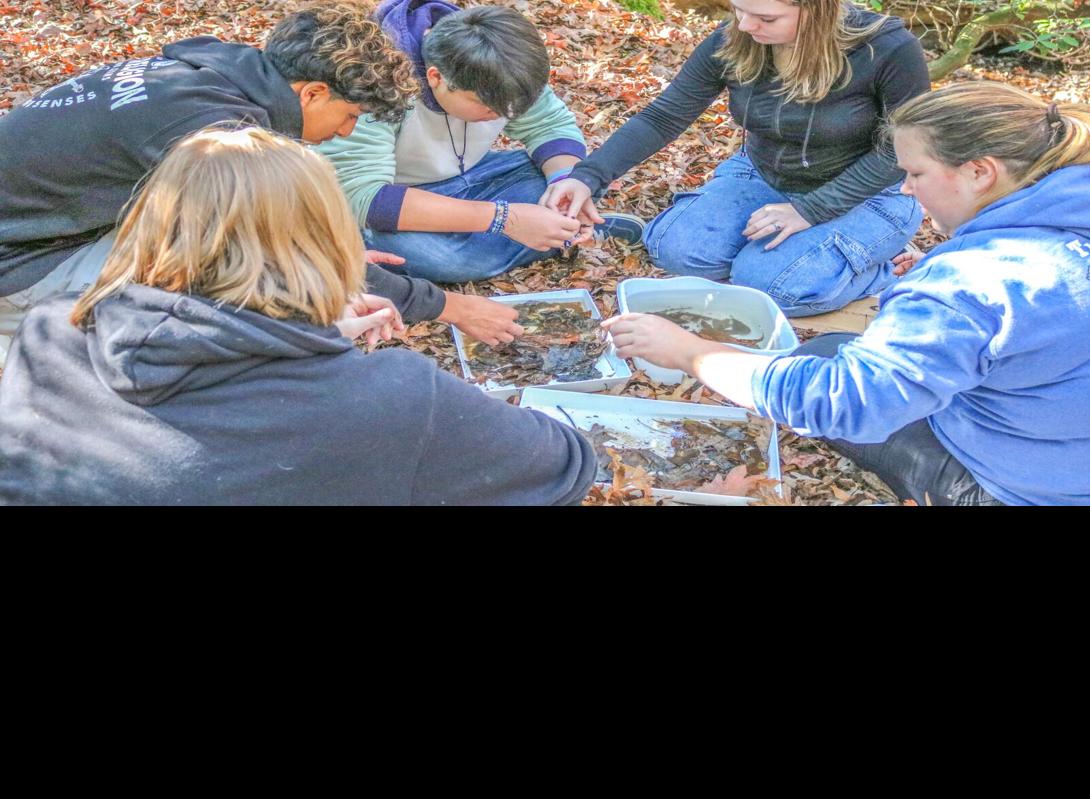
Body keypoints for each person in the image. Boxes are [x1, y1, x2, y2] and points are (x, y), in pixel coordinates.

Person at [601, 82, 1090, 505]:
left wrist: (690, 353)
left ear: (980, 172)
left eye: (915, 175)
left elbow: (845, 405)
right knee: (842, 345)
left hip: (1037, 492)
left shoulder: (976, 280)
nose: (909, 193)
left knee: (818, 362)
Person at [0, 126, 599, 506]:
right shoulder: (392, 398)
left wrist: (308, 333)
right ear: (327, 241)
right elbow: (566, 466)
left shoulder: (51, 328)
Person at [0, 1, 523, 370]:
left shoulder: (209, 74)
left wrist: (334, 257)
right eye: (349, 116)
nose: (345, 132)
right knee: (252, 293)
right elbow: (270, 254)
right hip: (24, 262)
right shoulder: (216, 133)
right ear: (314, 92)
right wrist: (448, 306)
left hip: (57, 222)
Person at [563, 0, 929, 317]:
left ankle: (882, 266)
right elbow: (665, 116)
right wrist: (588, 175)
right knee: (674, 250)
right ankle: (804, 256)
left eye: (765, 18)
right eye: (738, 9)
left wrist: (810, 211)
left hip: (871, 191)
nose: (744, 25)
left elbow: (900, 150)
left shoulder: (887, 49)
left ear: (818, 10)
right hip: (765, 174)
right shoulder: (738, 38)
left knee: (773, 286)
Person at [318, 1, 645, 284]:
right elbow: (366, 199)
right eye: (488, 107)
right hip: (391, 199)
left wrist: (564, 184)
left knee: (581, 180)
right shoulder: (375, 84)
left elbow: (549, 126)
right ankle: (547, 236)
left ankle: (552, 228)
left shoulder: (503, 67)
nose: (502, 115)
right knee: (446, 260)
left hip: (471, 180)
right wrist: (505, 218)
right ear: (435, 78)